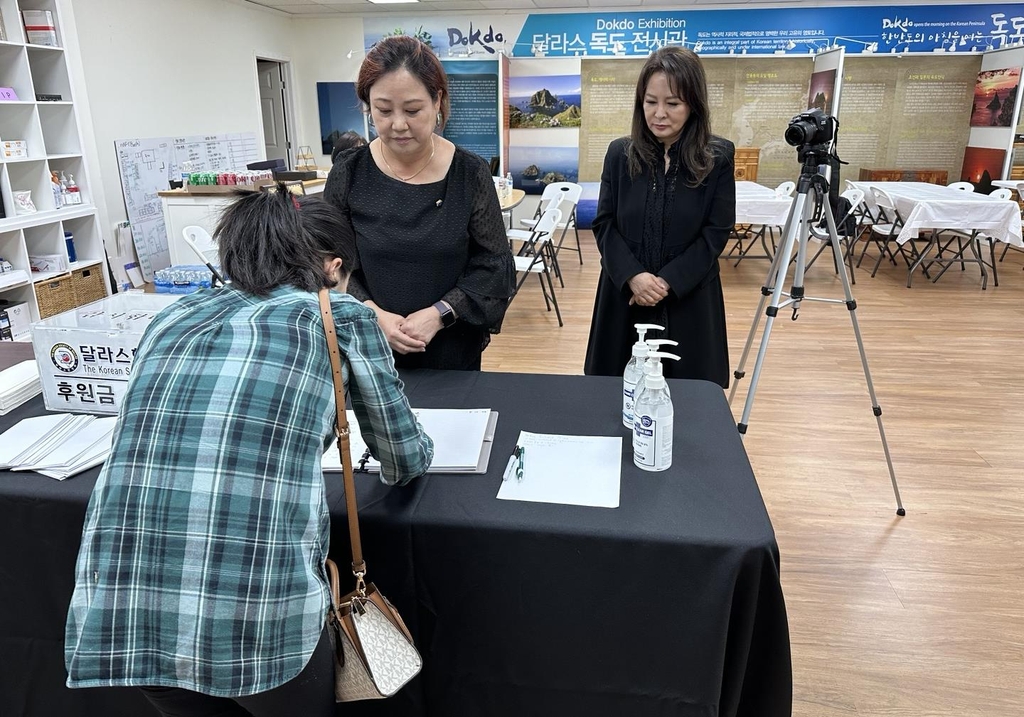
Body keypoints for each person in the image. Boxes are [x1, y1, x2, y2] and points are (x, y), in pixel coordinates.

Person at [64, 188, 434, 717]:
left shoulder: (172, 317)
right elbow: (403, 460)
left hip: (126, 614)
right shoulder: (339, 315)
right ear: (333, 268)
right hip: (258, 622)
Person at [324, 35, 514, 371]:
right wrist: (374, 314)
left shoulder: (469, 173)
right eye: (383, 110)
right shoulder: (349, 173)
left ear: (437, 100)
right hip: (368, 345)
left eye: (412, 110)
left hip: (450, 346)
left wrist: (440, 313)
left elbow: (494, 266)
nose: (398, 124)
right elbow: (330, 262)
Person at [584, 47, 735, 388]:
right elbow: (604, 223)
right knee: (613, 394)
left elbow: (716, 232)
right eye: (651, 102)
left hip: (690, 299)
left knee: (688, 400)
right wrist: (634, 276)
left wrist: (666, 282)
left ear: (693, 104)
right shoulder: (619, 154)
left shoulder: (717, 157)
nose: (659, 114)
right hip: (624, 296)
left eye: (673, 103)